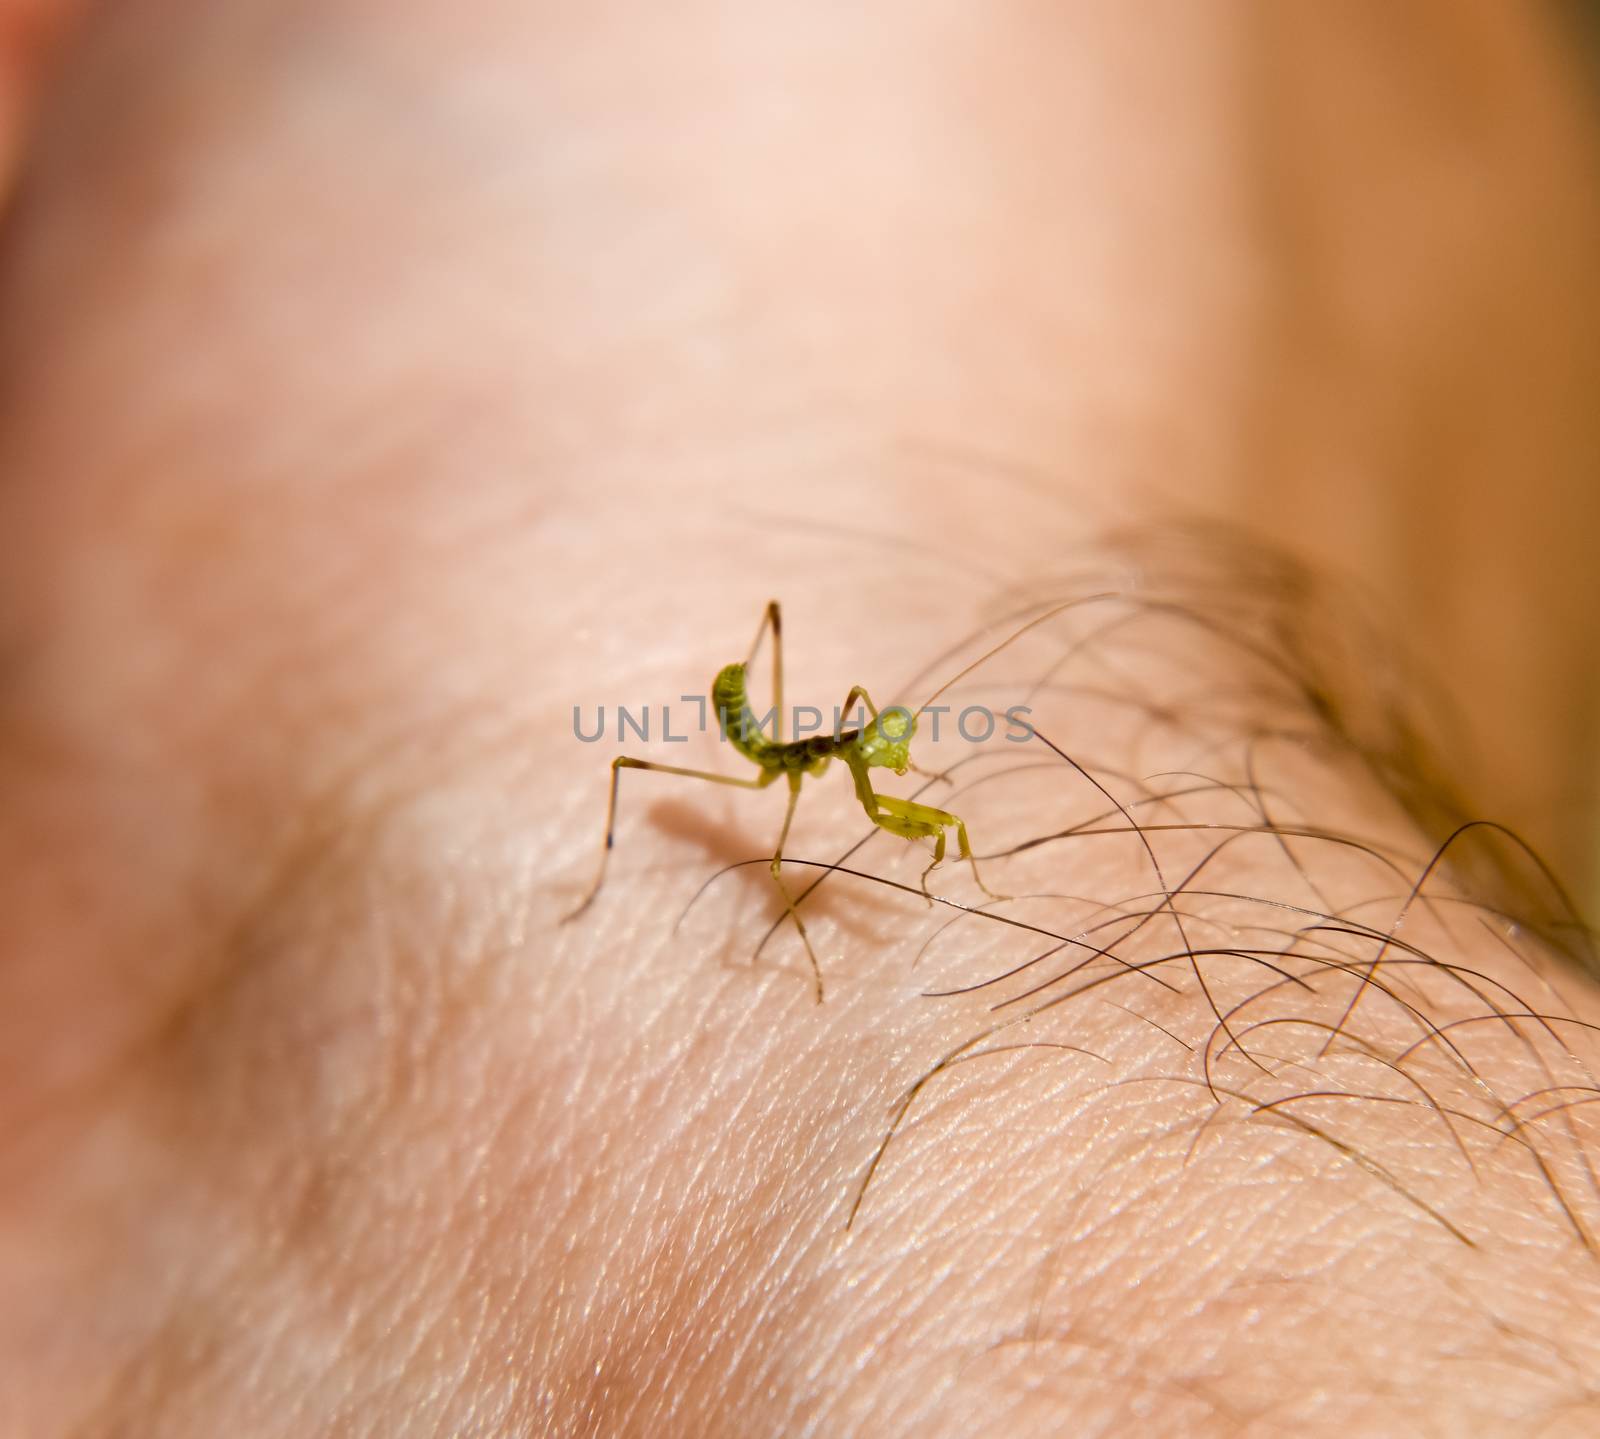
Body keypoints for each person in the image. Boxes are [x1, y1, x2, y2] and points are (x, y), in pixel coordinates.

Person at [3, 3, 1599, 1434]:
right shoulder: (772, 767)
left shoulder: (860, 776)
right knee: (666, 769)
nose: (899, 779)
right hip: (726, 744)